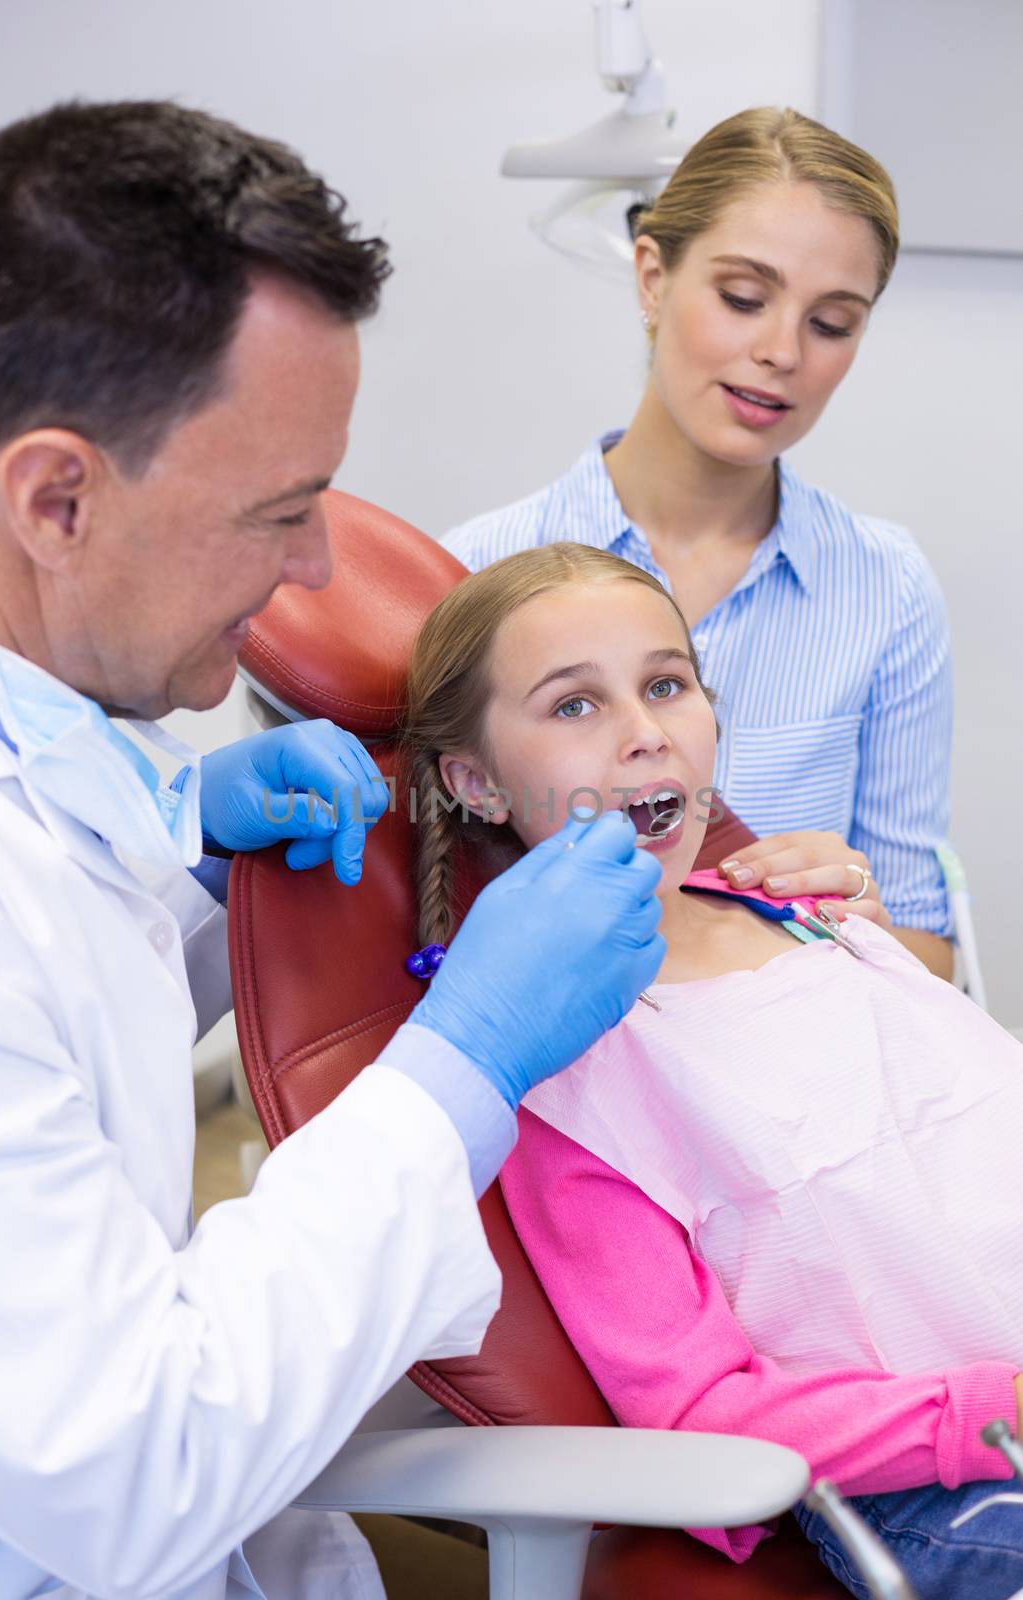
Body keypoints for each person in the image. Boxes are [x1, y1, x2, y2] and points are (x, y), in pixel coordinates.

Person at [0, 102, 668, 1600]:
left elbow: (59, 1017)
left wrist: (191, 888)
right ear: (56, 499)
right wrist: (464, 1060)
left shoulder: (48, 761)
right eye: (278, 515)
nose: (309, 575)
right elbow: (127, 1461)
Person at [400, 541, 1023, 1600]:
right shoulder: (566, 1070)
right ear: (473, 780)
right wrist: (997, 1410)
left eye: (664, 684)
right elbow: (700, 1415)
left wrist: (861, 934)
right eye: (573, 706)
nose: (645, 732)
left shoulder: (812, 915)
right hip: (947, 1480)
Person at [443, 106, 955, 980]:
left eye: (830, 324)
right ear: (651, 277)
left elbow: (928, 957)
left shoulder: (885, 589)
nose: (779, 351)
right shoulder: (473, 570)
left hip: (798, 1076)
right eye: (743, 298)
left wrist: (858, 918)